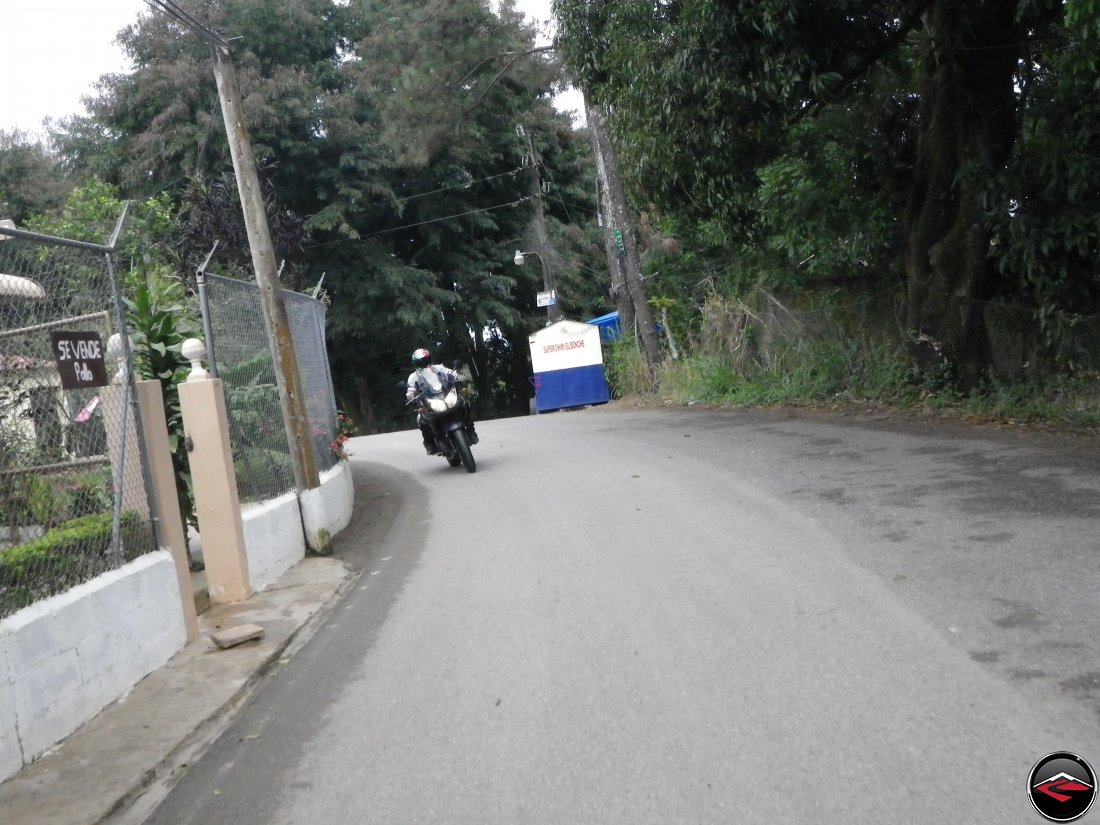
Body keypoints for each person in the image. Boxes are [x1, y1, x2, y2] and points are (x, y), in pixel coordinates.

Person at [405, 348, 476, 454]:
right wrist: (410, 396)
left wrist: (458, 376)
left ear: (429, 359)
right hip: (430, 401)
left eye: (426, 360)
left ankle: (471, 430)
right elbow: (410, 389)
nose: (424, 364)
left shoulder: (438, 368)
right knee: (421, 419)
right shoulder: (413, 377)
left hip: (446, 396)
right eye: (421, 362)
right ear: (416, 364)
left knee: (465, 404)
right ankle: (430, 444)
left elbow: (451, 372)